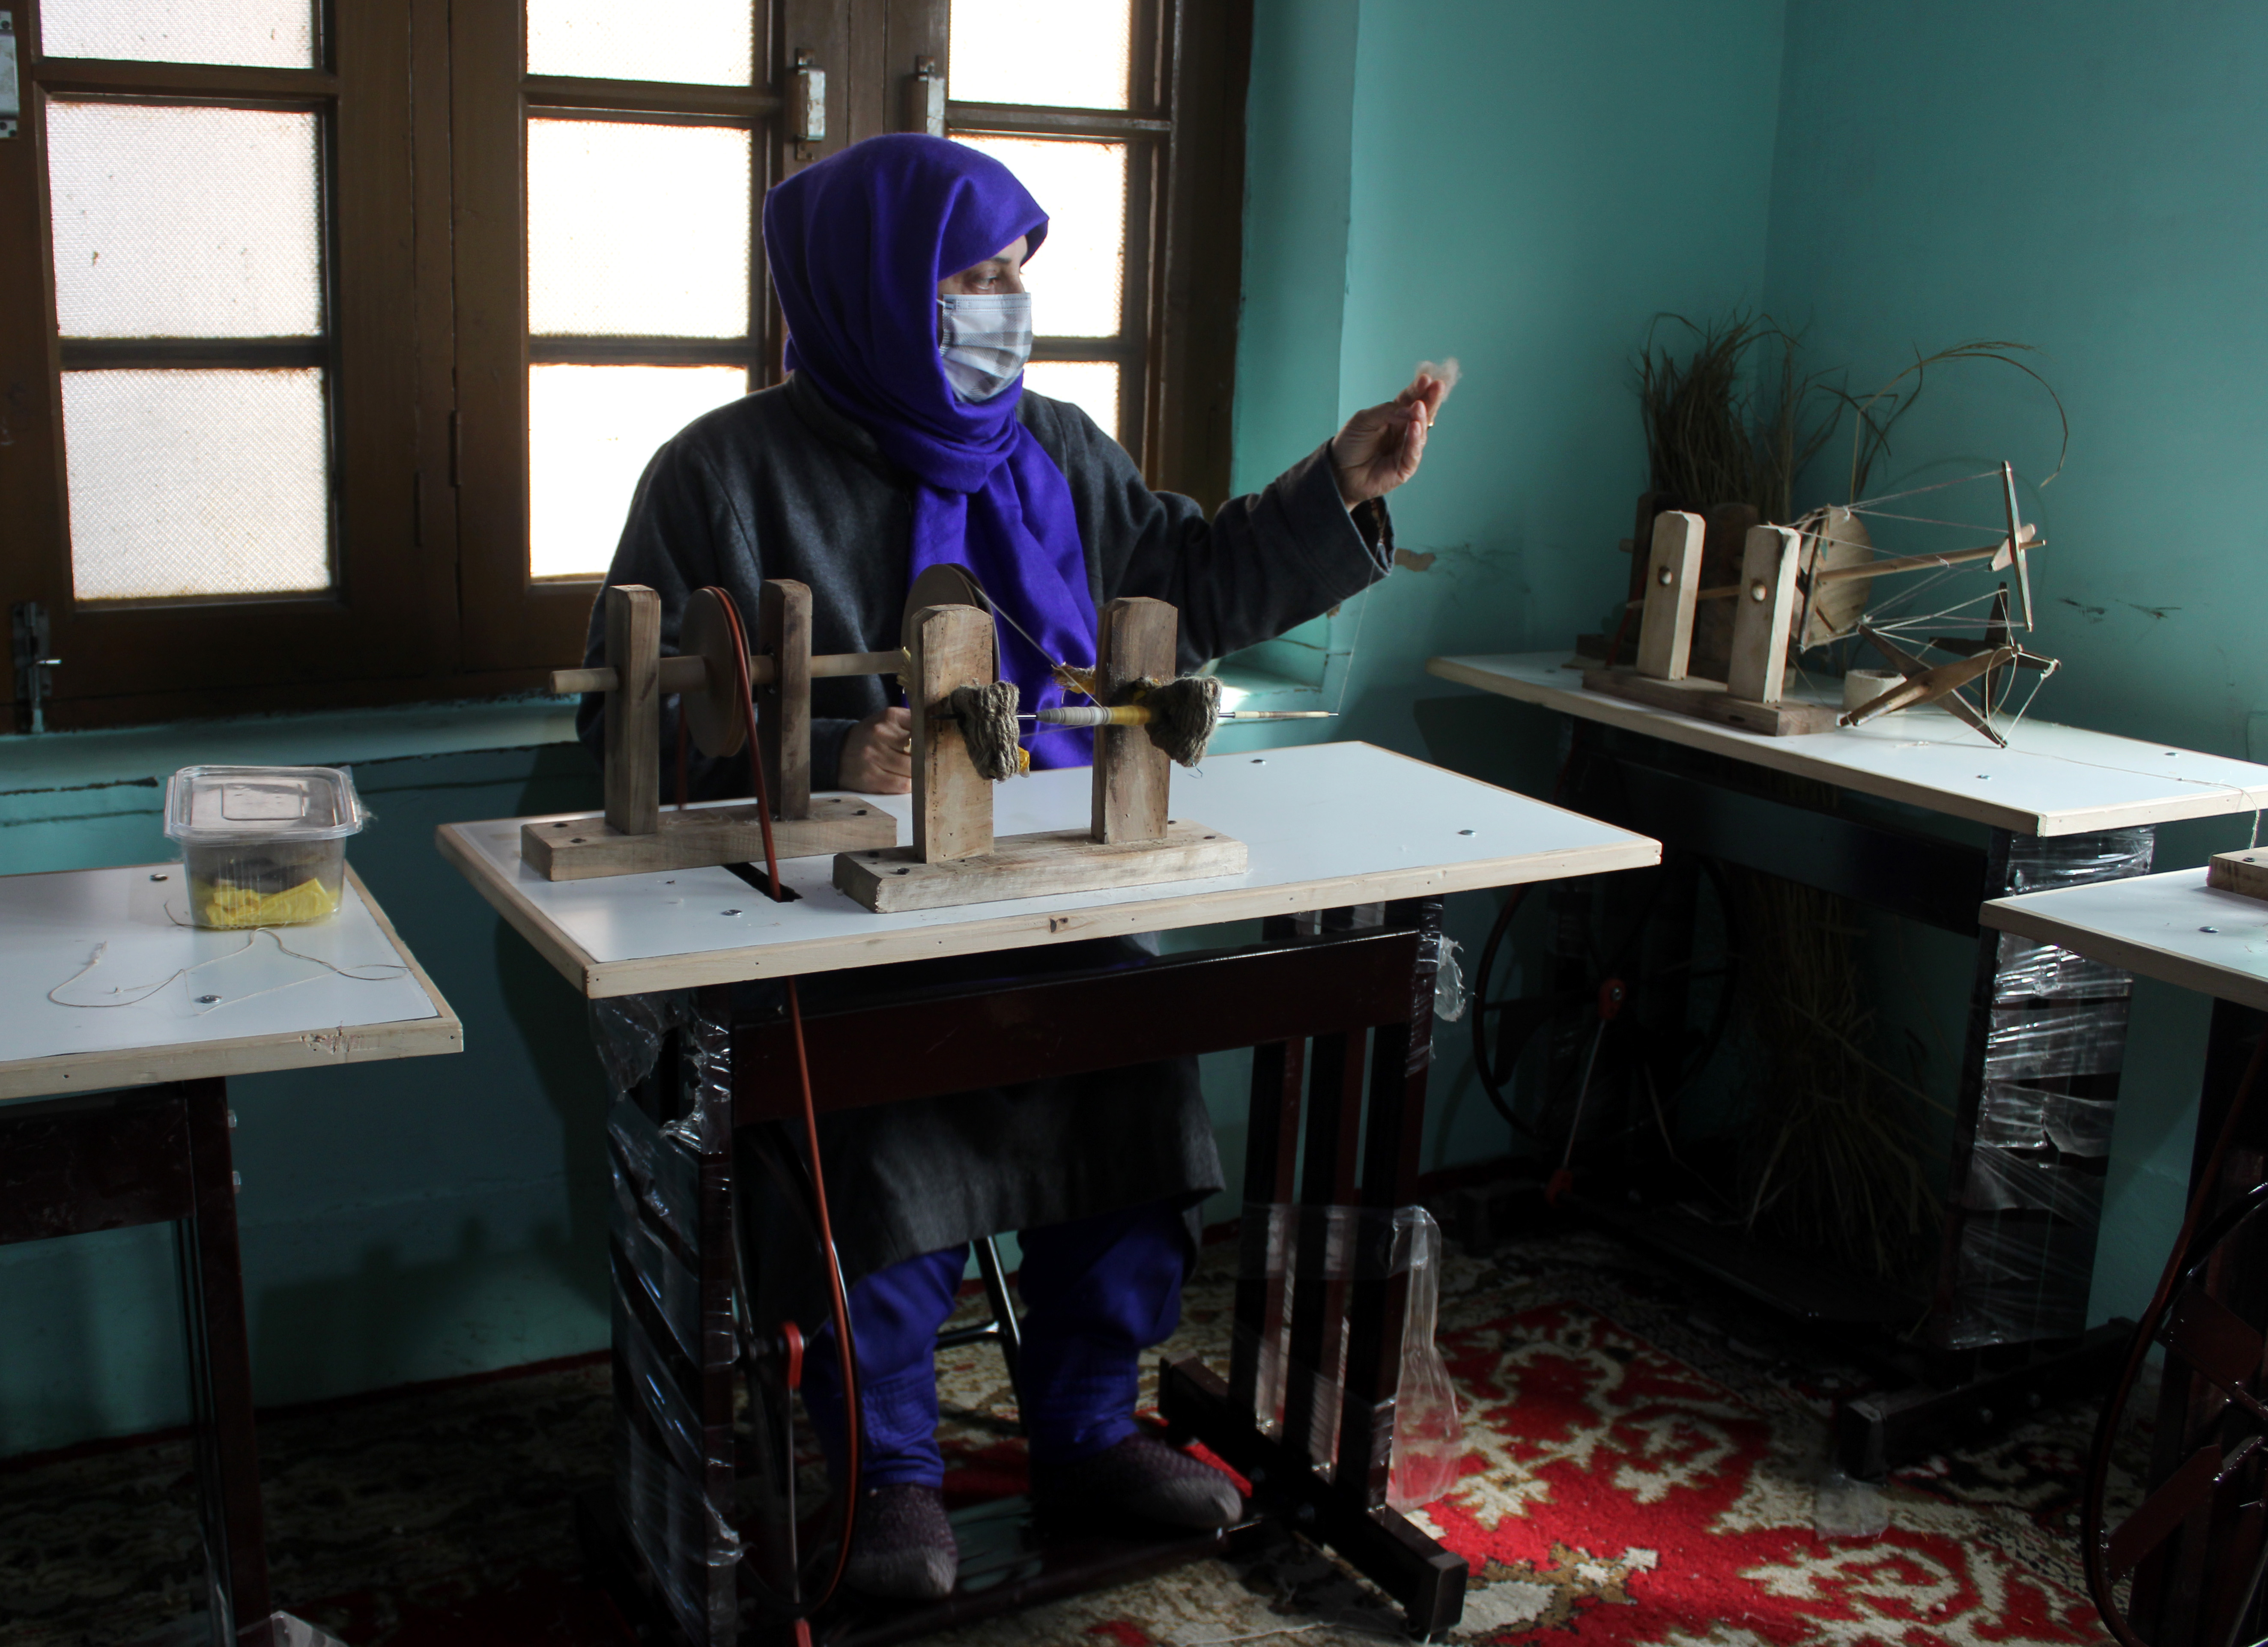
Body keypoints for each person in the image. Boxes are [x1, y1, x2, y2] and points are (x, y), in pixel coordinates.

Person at [577, 134, 1444, 1602]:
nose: (1007, 307)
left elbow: (1187, 583)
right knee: (883, 1113)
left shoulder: (1056, 448)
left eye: (1016, 274)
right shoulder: (723, 475)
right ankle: (889, 1475)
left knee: (1136, 1065)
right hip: (839, 931)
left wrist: (1335, 490)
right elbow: (629, 723)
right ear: (873, 287)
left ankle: (1089, 1428)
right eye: (972, 276)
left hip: (1045, 889)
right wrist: (824, 754)